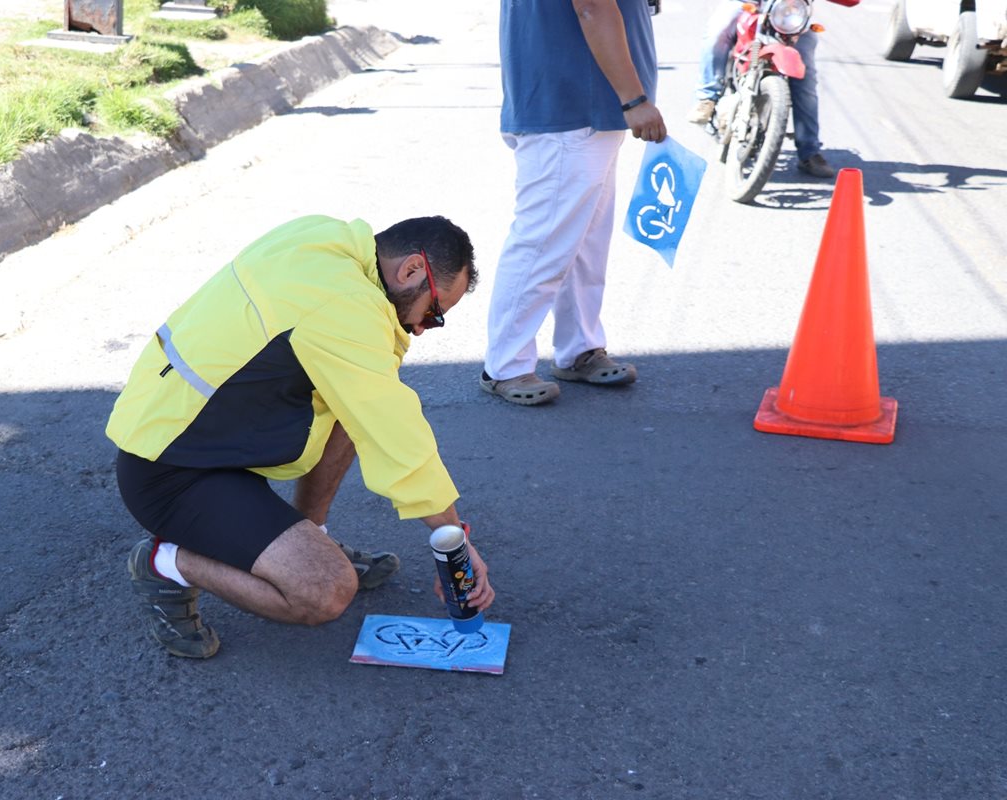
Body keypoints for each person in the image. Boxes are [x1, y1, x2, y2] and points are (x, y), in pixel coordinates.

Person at [106, 214, 496, 658]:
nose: (425, 327)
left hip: (196, 433)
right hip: (169, 472)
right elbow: (396, 432)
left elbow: (370, 404)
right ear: (410, 270)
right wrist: (454, 540)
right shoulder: (344, 305)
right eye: (434, 311)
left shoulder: (325, 241)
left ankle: (313, 533)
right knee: (324, 590)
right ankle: (164, 564)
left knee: (352, 402)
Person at [481, 0, 667, 407]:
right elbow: (594, 7)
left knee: (583, 246)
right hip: (570, 105)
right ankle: (506, 365)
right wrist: (635, 100)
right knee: (542, 244)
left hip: (586, 106)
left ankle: (579, 348)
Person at [687, 0, 835, 179]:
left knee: (806, 77)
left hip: (789, 12)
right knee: (717, 33)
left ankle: (809, 151)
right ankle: (706, 98)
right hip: (747, 2)